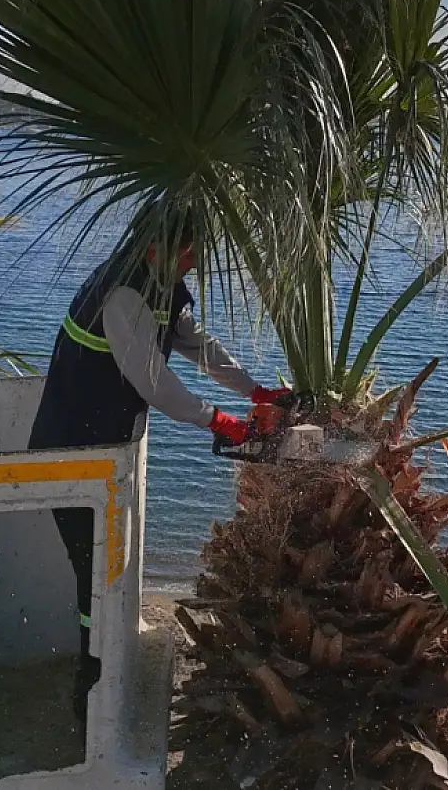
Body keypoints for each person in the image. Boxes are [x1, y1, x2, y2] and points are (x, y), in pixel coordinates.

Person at [26, 226, 290, 717]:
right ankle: (92, 688)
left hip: (102, 449)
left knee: (104, 566)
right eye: (188, 254)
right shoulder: (122, 295)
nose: (194, 264)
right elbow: (153, 381)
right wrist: (221, 421)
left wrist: (256, 392)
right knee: (91, 570)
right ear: (155, 246)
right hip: (68, 452)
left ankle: (104, 667)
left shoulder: (160, 285)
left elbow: (198, 348)